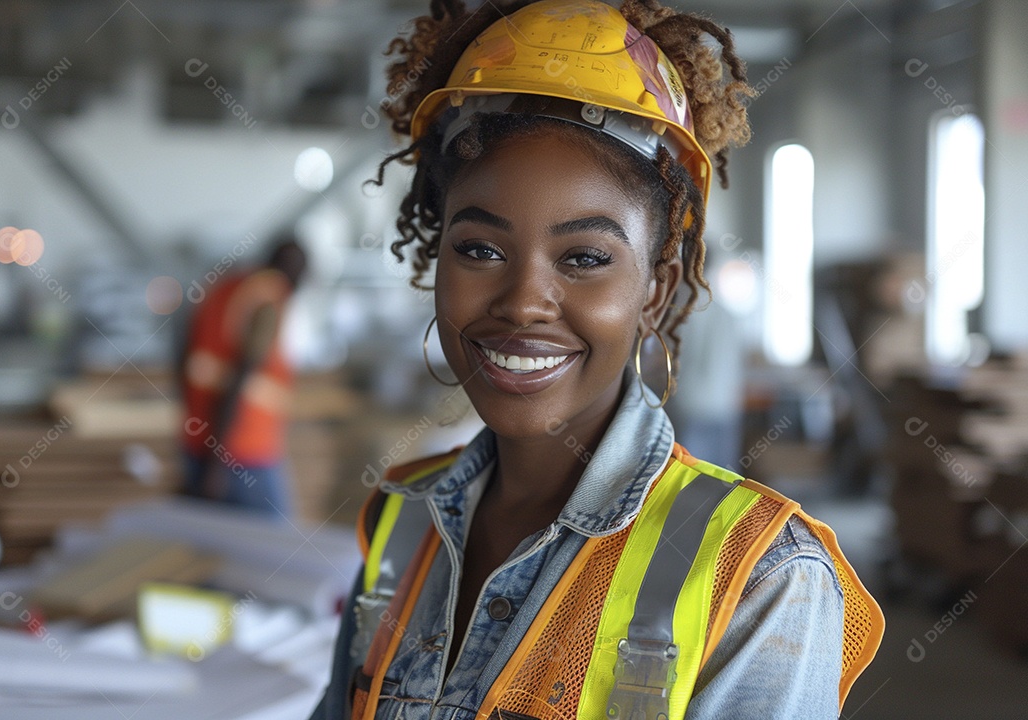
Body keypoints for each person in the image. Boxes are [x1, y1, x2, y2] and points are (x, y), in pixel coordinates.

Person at [313, 1, 884, 717]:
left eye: (584, 257)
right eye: (480, 249)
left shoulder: (758, 574)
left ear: (656, 291)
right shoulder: (402, 520)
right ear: (437, 265)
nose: (524, 303)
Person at [178, 235, 307, 516]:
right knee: (277, 550)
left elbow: (184, 358)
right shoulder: (267, 298)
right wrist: (217, 463)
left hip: (202, 443)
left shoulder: (222, 288)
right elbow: (240, 379)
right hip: (244, 452)